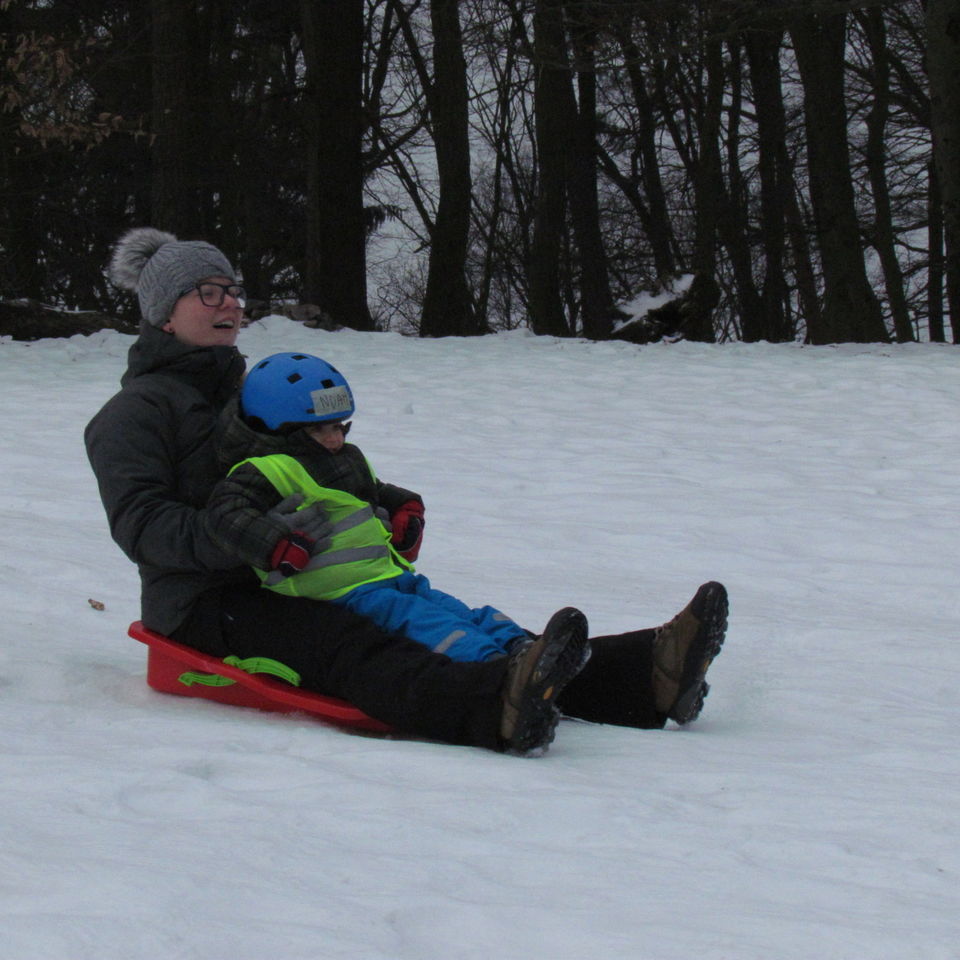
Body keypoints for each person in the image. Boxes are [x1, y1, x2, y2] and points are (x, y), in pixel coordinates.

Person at [85, 226, 728, 756]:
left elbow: (320, 468)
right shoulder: (133, 415)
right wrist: (257, 540)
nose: (230, 304)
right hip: (208, 601)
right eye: (208, 293)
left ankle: (641, 676)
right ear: (162, 313)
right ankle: (495, 707)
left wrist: (388, 504)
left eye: (233, 290)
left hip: (309, 573)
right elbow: (142, 526)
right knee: (352, 639)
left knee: (442, 618)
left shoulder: (251, 388)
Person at [203, 350, 534, 665]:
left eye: (338, 426)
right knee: (423, 620)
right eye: (318, 429)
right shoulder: (267, 469)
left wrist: (403, 505)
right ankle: (490, 664)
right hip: (338, 590)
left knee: (452, 608)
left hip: (385, 574)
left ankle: (521, 646)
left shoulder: (343, 458)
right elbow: (225, 512)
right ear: (276, 426)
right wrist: (276, 545)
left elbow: (374, 490)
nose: (334, 438)